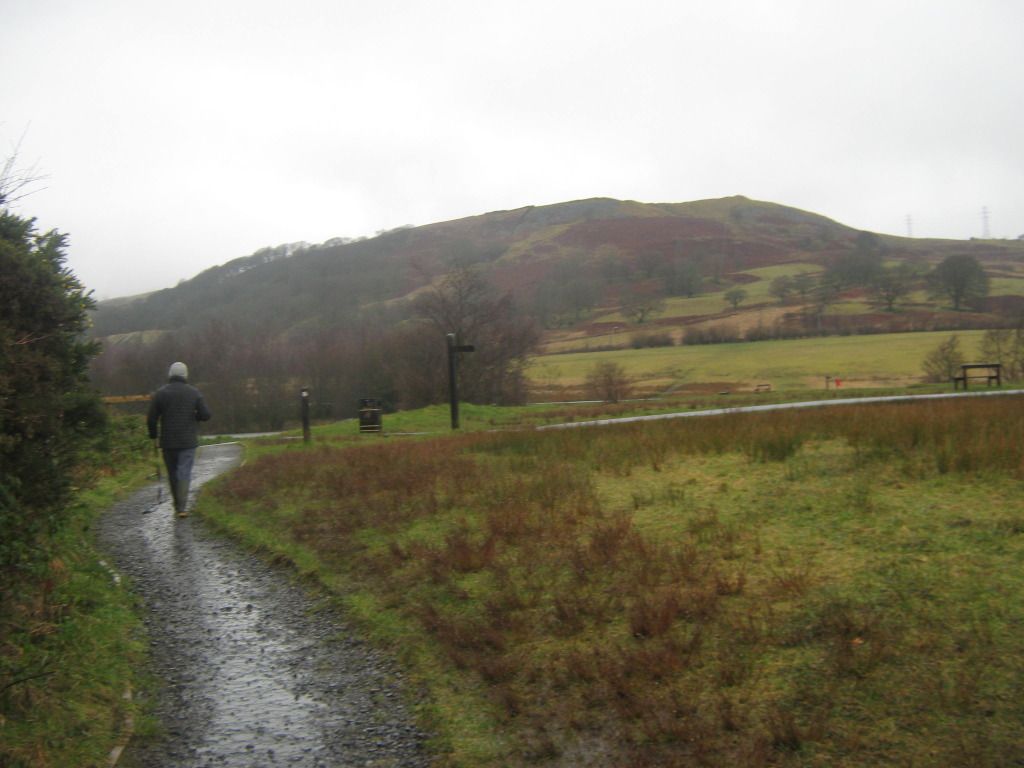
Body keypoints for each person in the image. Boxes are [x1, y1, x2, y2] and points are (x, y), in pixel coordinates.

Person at [147, 362, 211, 517]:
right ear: (185, 375)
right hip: (188, 441)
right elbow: (206, 414)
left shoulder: (160, 393)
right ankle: (182, 508)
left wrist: (154, 435)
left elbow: (151, 419)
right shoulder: (194, 392)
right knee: (184, 472)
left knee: (172, 473)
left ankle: (177, 505)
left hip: (168, 442)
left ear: (170, 374)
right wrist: (194, 416)